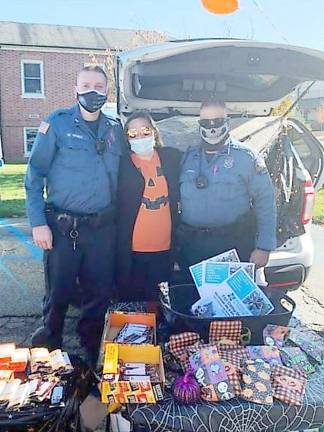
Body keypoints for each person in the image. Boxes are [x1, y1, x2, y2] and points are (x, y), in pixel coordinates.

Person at [25, 66, 125, 366]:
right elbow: (34, 175)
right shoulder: (56, 124)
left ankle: (92, 347)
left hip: (101, 227)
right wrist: (38, 222)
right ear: (75, 89)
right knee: (59, 292)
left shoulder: (114, 129)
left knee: (99, 293)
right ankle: (50, 349)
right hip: (62, 226)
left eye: (98, 86)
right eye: (86, 85)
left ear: (107, 92)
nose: (92, 91)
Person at [177, 99, 277, 278]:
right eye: (206, 123)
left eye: (218, 122)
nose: (212, 127)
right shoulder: (187, 157)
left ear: (227, 122)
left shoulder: (246, 158)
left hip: (232, 246)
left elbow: (265, 201)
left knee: (229, 303)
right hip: (191, 246)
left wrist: (264, 246)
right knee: (190, 299)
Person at [116, 110, 182, 302]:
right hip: (132, 251)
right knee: (134, 303)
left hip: (164, 249)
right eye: (132, 133)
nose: (140, 137)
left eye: (145, 131)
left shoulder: (172, 158)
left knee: (160, 302)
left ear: (154, 132)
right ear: (126, 138)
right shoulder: (121, 164)